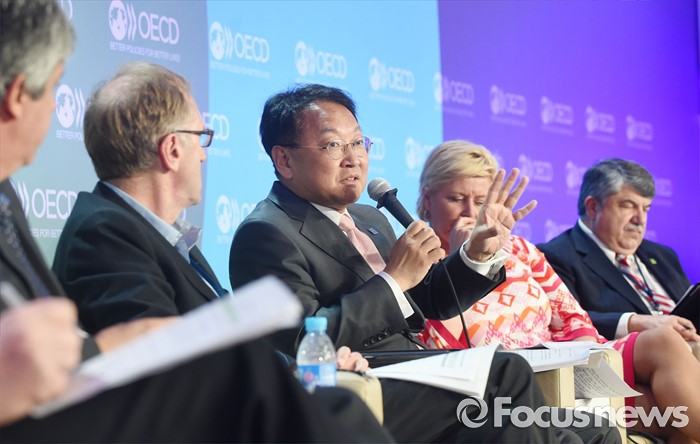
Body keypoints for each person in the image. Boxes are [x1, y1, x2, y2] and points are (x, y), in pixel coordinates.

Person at [0, 2, 391, 441]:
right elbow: (160, 369)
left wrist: (302, 367)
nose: (204, 156)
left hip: (227, 404)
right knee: (341, 412)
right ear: (172, 149)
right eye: (201, 138)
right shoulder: (104, 233)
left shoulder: (162, 237)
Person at [228, 83, 620, 443]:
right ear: (284, 160)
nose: (354, 159)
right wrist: (393, 280)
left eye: (359, 143)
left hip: (414, 370)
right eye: (333, 145)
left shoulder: (369, 217)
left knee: (595, 431)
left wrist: (477, 254)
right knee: (505, 372)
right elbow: (301, 342)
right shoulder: (266, 234)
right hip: (360, 386)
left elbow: (432, 300)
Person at [415, 140, 700, 443]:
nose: (471, 213)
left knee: (662, 342)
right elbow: (441, 349)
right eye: (456, 199)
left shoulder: (520, 249)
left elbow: (573, 316)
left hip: (567, 365)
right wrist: (463, 261)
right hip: (513, 383)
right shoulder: (418, 261)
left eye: (482, 201)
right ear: (428, 200)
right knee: (670, 411)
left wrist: (589, 366)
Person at [537, 159, 698, 343]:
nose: (640, 219)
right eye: (628, 206)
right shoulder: (556, 256)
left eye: (645, 209)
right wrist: (634, 322)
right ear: (593, 207)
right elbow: (565, 320)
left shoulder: (663, 255)